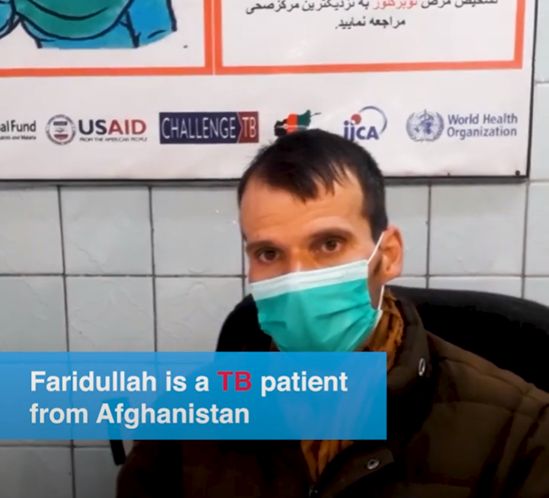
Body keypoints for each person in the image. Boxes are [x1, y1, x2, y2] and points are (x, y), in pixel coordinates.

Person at [117, 129, 549, 497]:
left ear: (388, 255)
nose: (298, 279)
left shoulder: (518, 434)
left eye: (329, 245)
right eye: (269, 253)